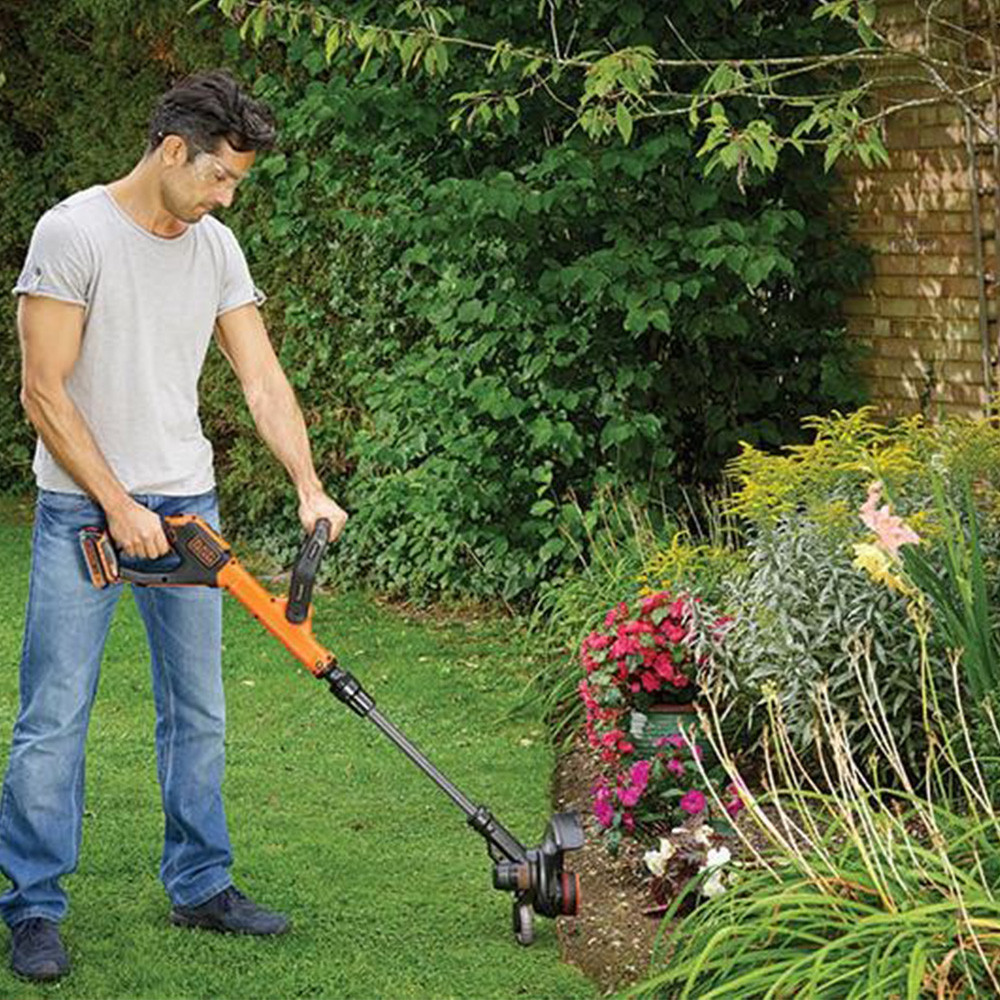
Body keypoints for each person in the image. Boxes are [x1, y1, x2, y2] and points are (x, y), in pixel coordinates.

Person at [1, 69, 348, 982]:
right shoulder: (74, 233)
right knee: (54, 713)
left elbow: (261, 380)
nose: (226, 196)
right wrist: (118, 505)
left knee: (197, 709)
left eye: (236, 181)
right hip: (84, 511)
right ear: (170, 151)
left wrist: (309, 485)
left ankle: (200, 883)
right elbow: (42, 391)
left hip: (188, 508)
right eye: (219, 176)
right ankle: (33, 905)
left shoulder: (215, 247)